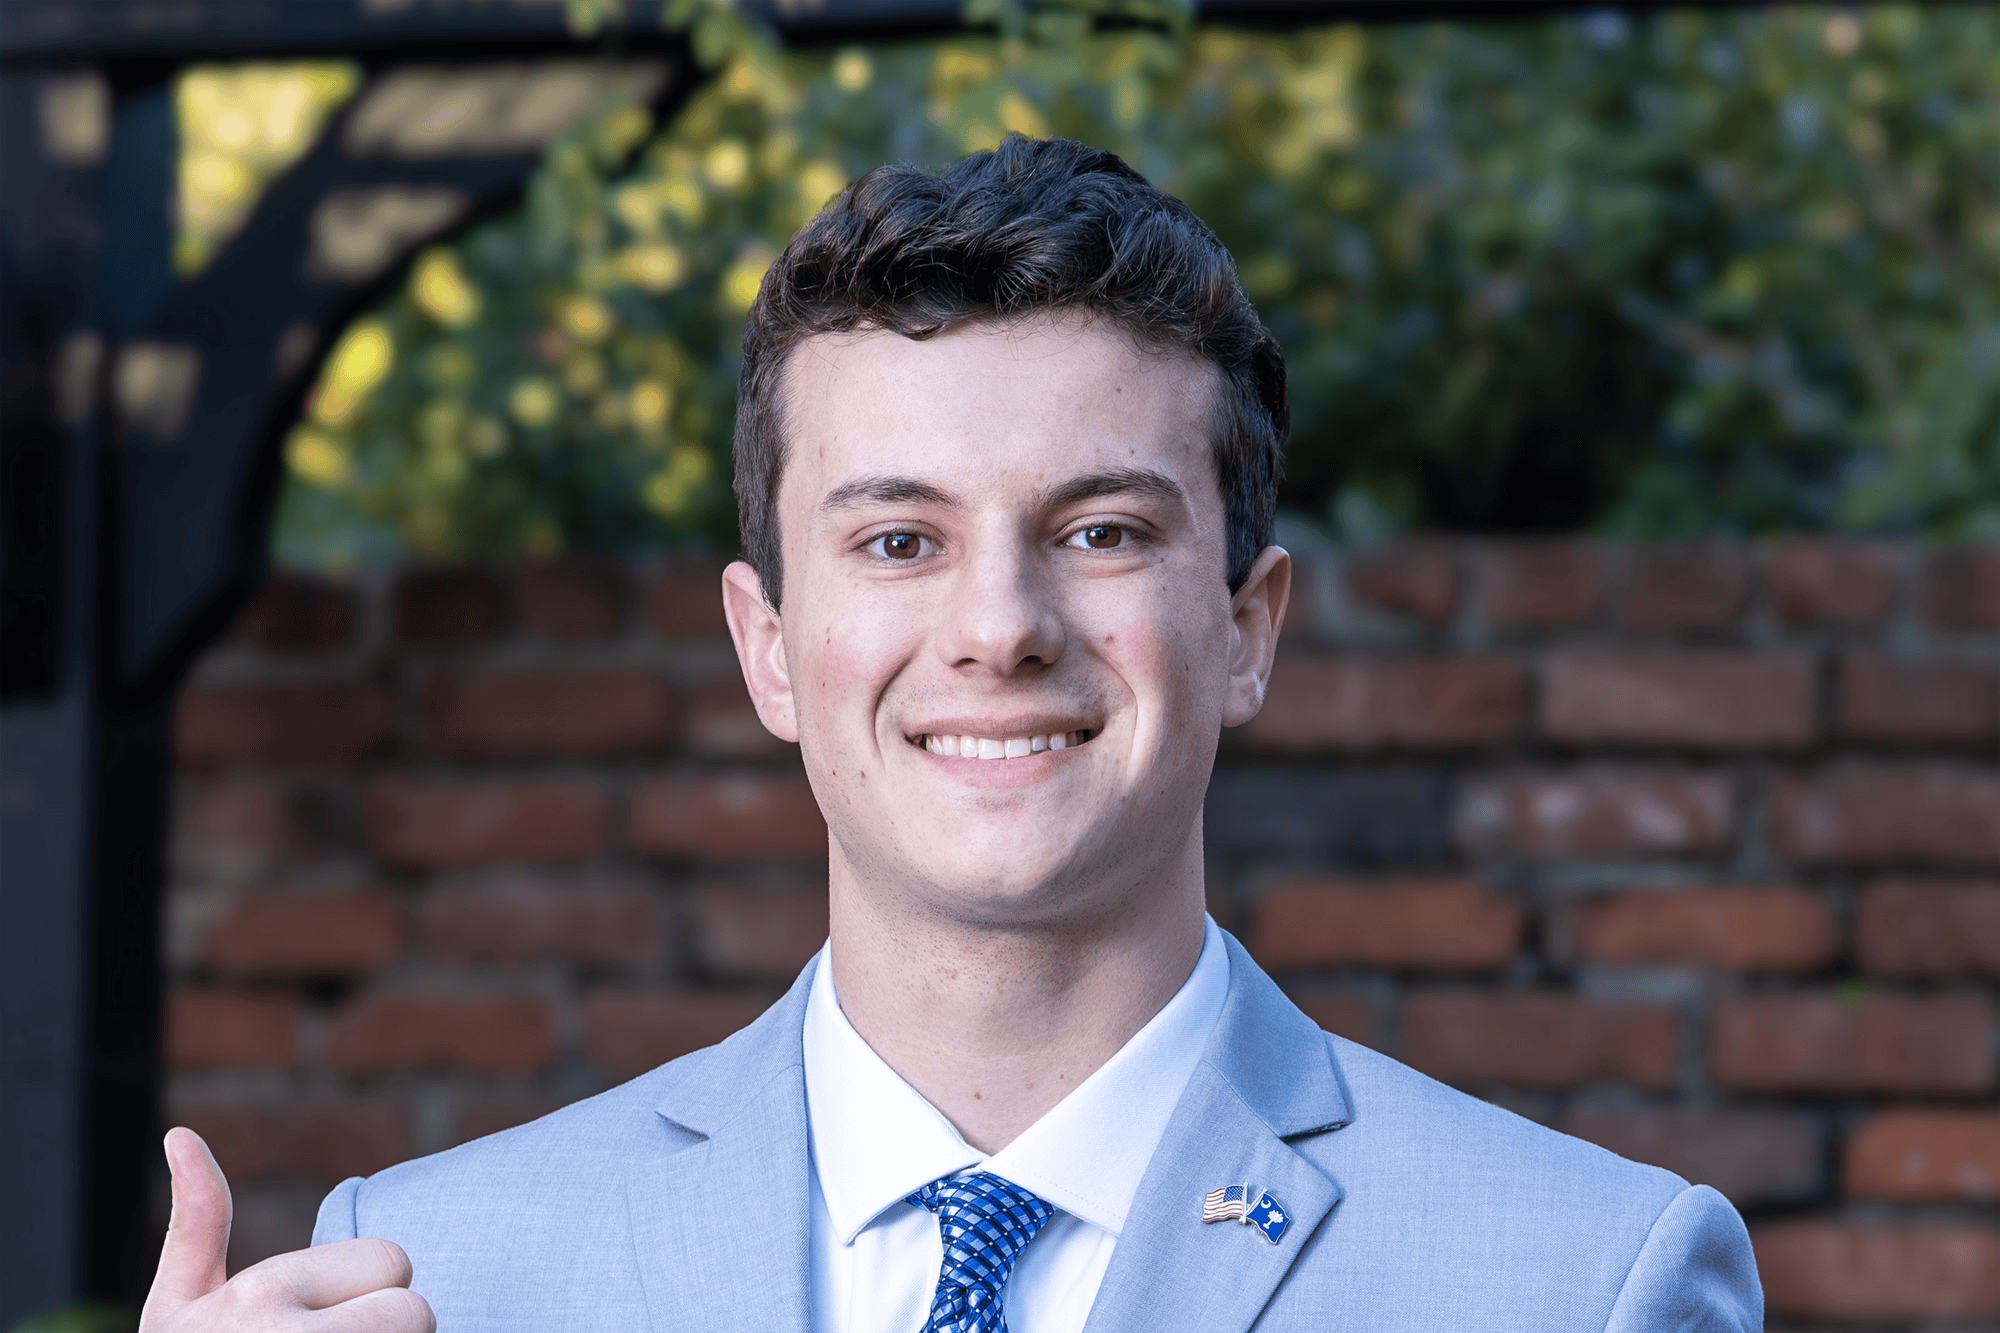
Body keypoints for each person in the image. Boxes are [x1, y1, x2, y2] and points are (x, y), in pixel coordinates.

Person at [140, 136, 1761, 1333]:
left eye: (1104, 531)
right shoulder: (427, 1274)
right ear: (768, 648)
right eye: (899, 540)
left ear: (1248, 628)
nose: (999, 626)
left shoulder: (1587, 1281)